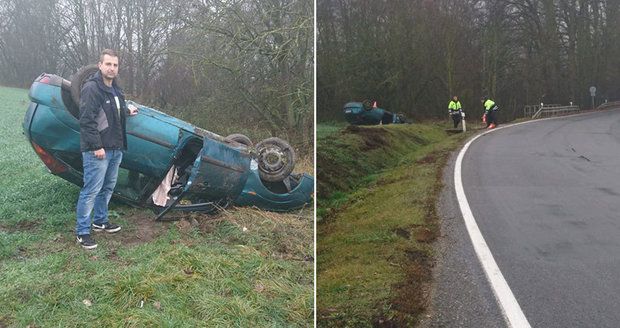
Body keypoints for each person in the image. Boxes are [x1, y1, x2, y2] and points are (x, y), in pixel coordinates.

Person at [76, 49, 138, 249]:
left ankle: (100, 220)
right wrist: (96, 146)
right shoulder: (92, 88)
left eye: (115, 65)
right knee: (91, 190)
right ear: (100, 65)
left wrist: (126, 109)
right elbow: (86, 121)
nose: (112, 68)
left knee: (108, 187)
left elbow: (112, 112)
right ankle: (82, 232)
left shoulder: (116, 90)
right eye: (108, 64)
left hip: (115, 148)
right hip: (98, 150)